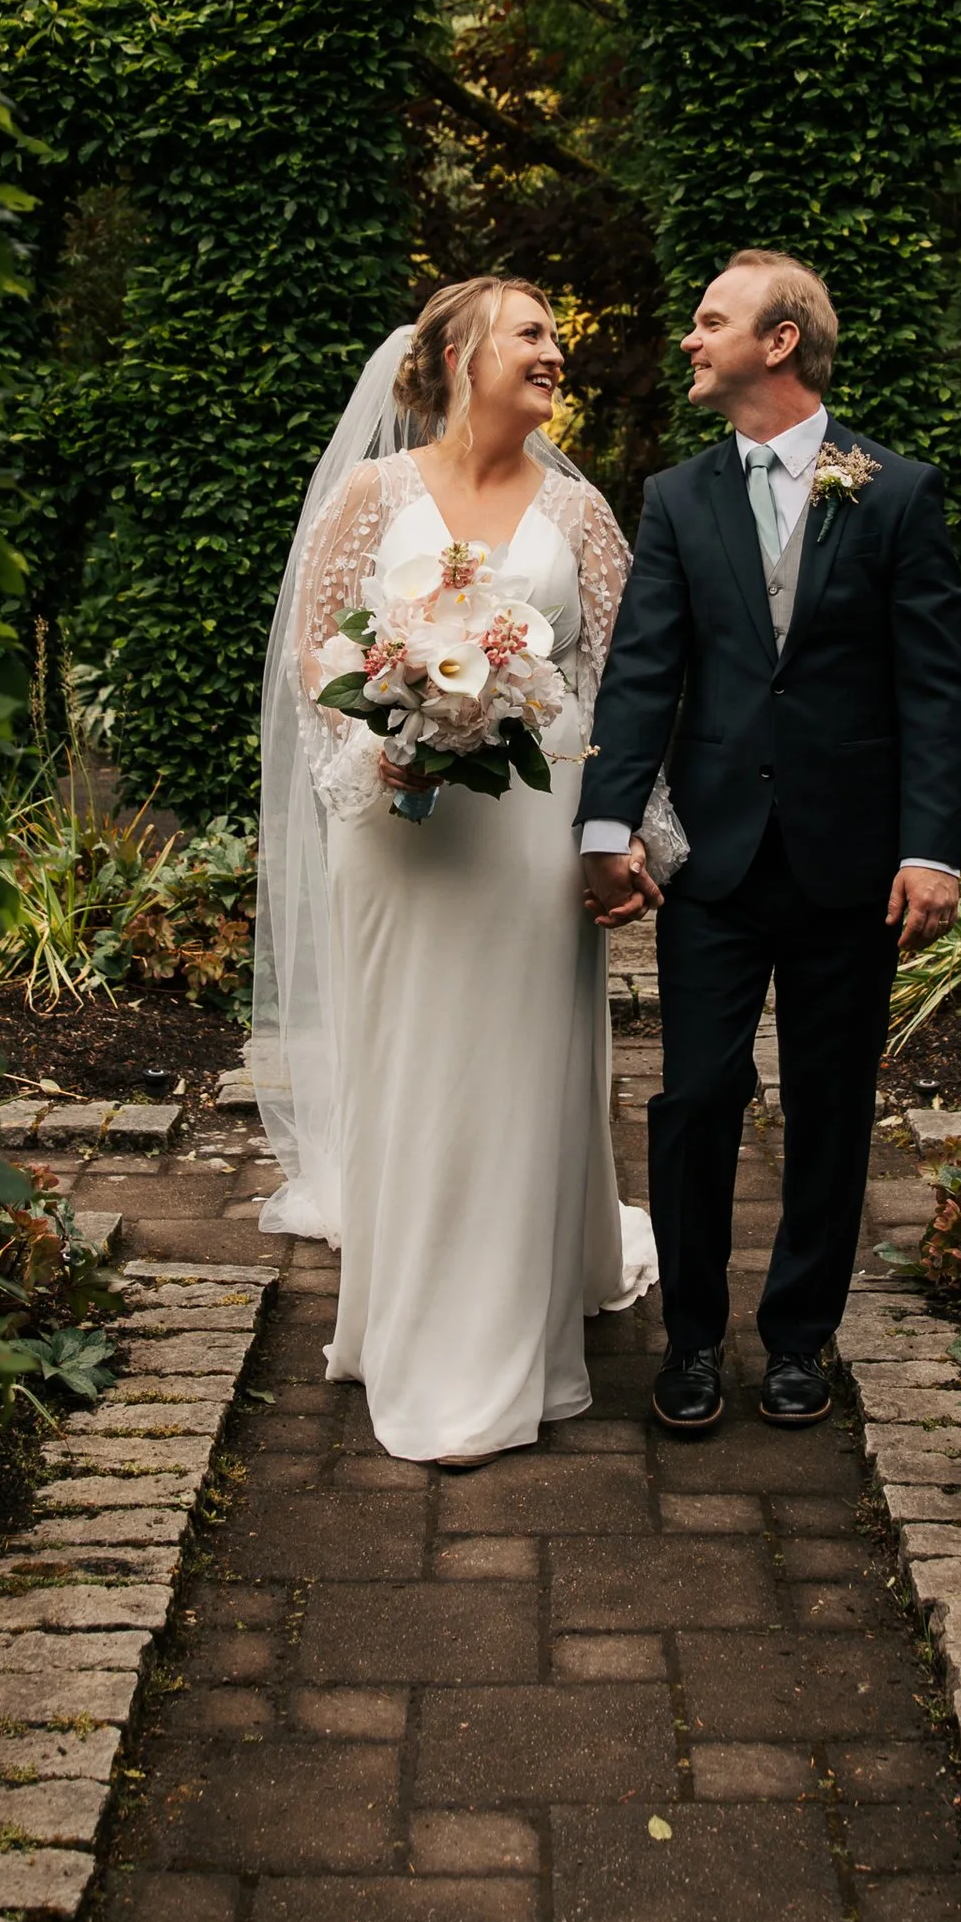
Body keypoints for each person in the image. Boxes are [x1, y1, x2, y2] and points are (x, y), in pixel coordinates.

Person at [248, 279, 660, 1467]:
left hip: (533, 829)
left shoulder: (579, 514)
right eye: (532, 332)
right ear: (460, 354)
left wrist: (627, 830)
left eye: (554, 334)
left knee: (517, 1066)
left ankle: (507, 1339)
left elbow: (624, 680)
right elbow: (313, 653)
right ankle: (410, 1321)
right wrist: (388, 746)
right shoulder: (371, 496)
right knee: (412, 1059)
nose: (554, 352)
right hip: (396, 829)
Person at [578, 252, 961, 1433]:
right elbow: (646, 670)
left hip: (853, 860)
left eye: (711, 322)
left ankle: (800, 1338)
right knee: (693, 1097)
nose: (690, 340)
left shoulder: (895, 491)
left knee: (832, 1102)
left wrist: (931, 849)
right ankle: (692, 1341)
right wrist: (608, 824)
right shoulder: (677, 497)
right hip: (718, 856)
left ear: (780, 341)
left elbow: (934, 690)